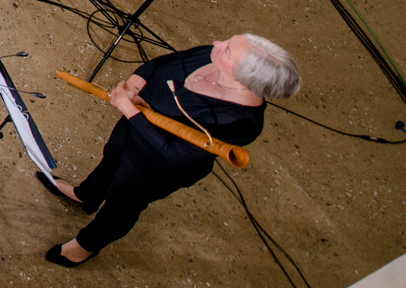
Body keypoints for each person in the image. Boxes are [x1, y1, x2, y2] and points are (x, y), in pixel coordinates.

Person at [39, 34, 300, 266]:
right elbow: (161, 64)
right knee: (111, 159)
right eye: (228, 41)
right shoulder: (208, 54)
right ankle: (86, 195)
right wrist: (133, 87)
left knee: (123, 203)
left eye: (228, 50)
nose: (218, 44)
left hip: (155, 166)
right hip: (134, 126)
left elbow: (174, 153)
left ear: (244, 78)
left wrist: (127, 108)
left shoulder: (239, 121)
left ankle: (84, 247)